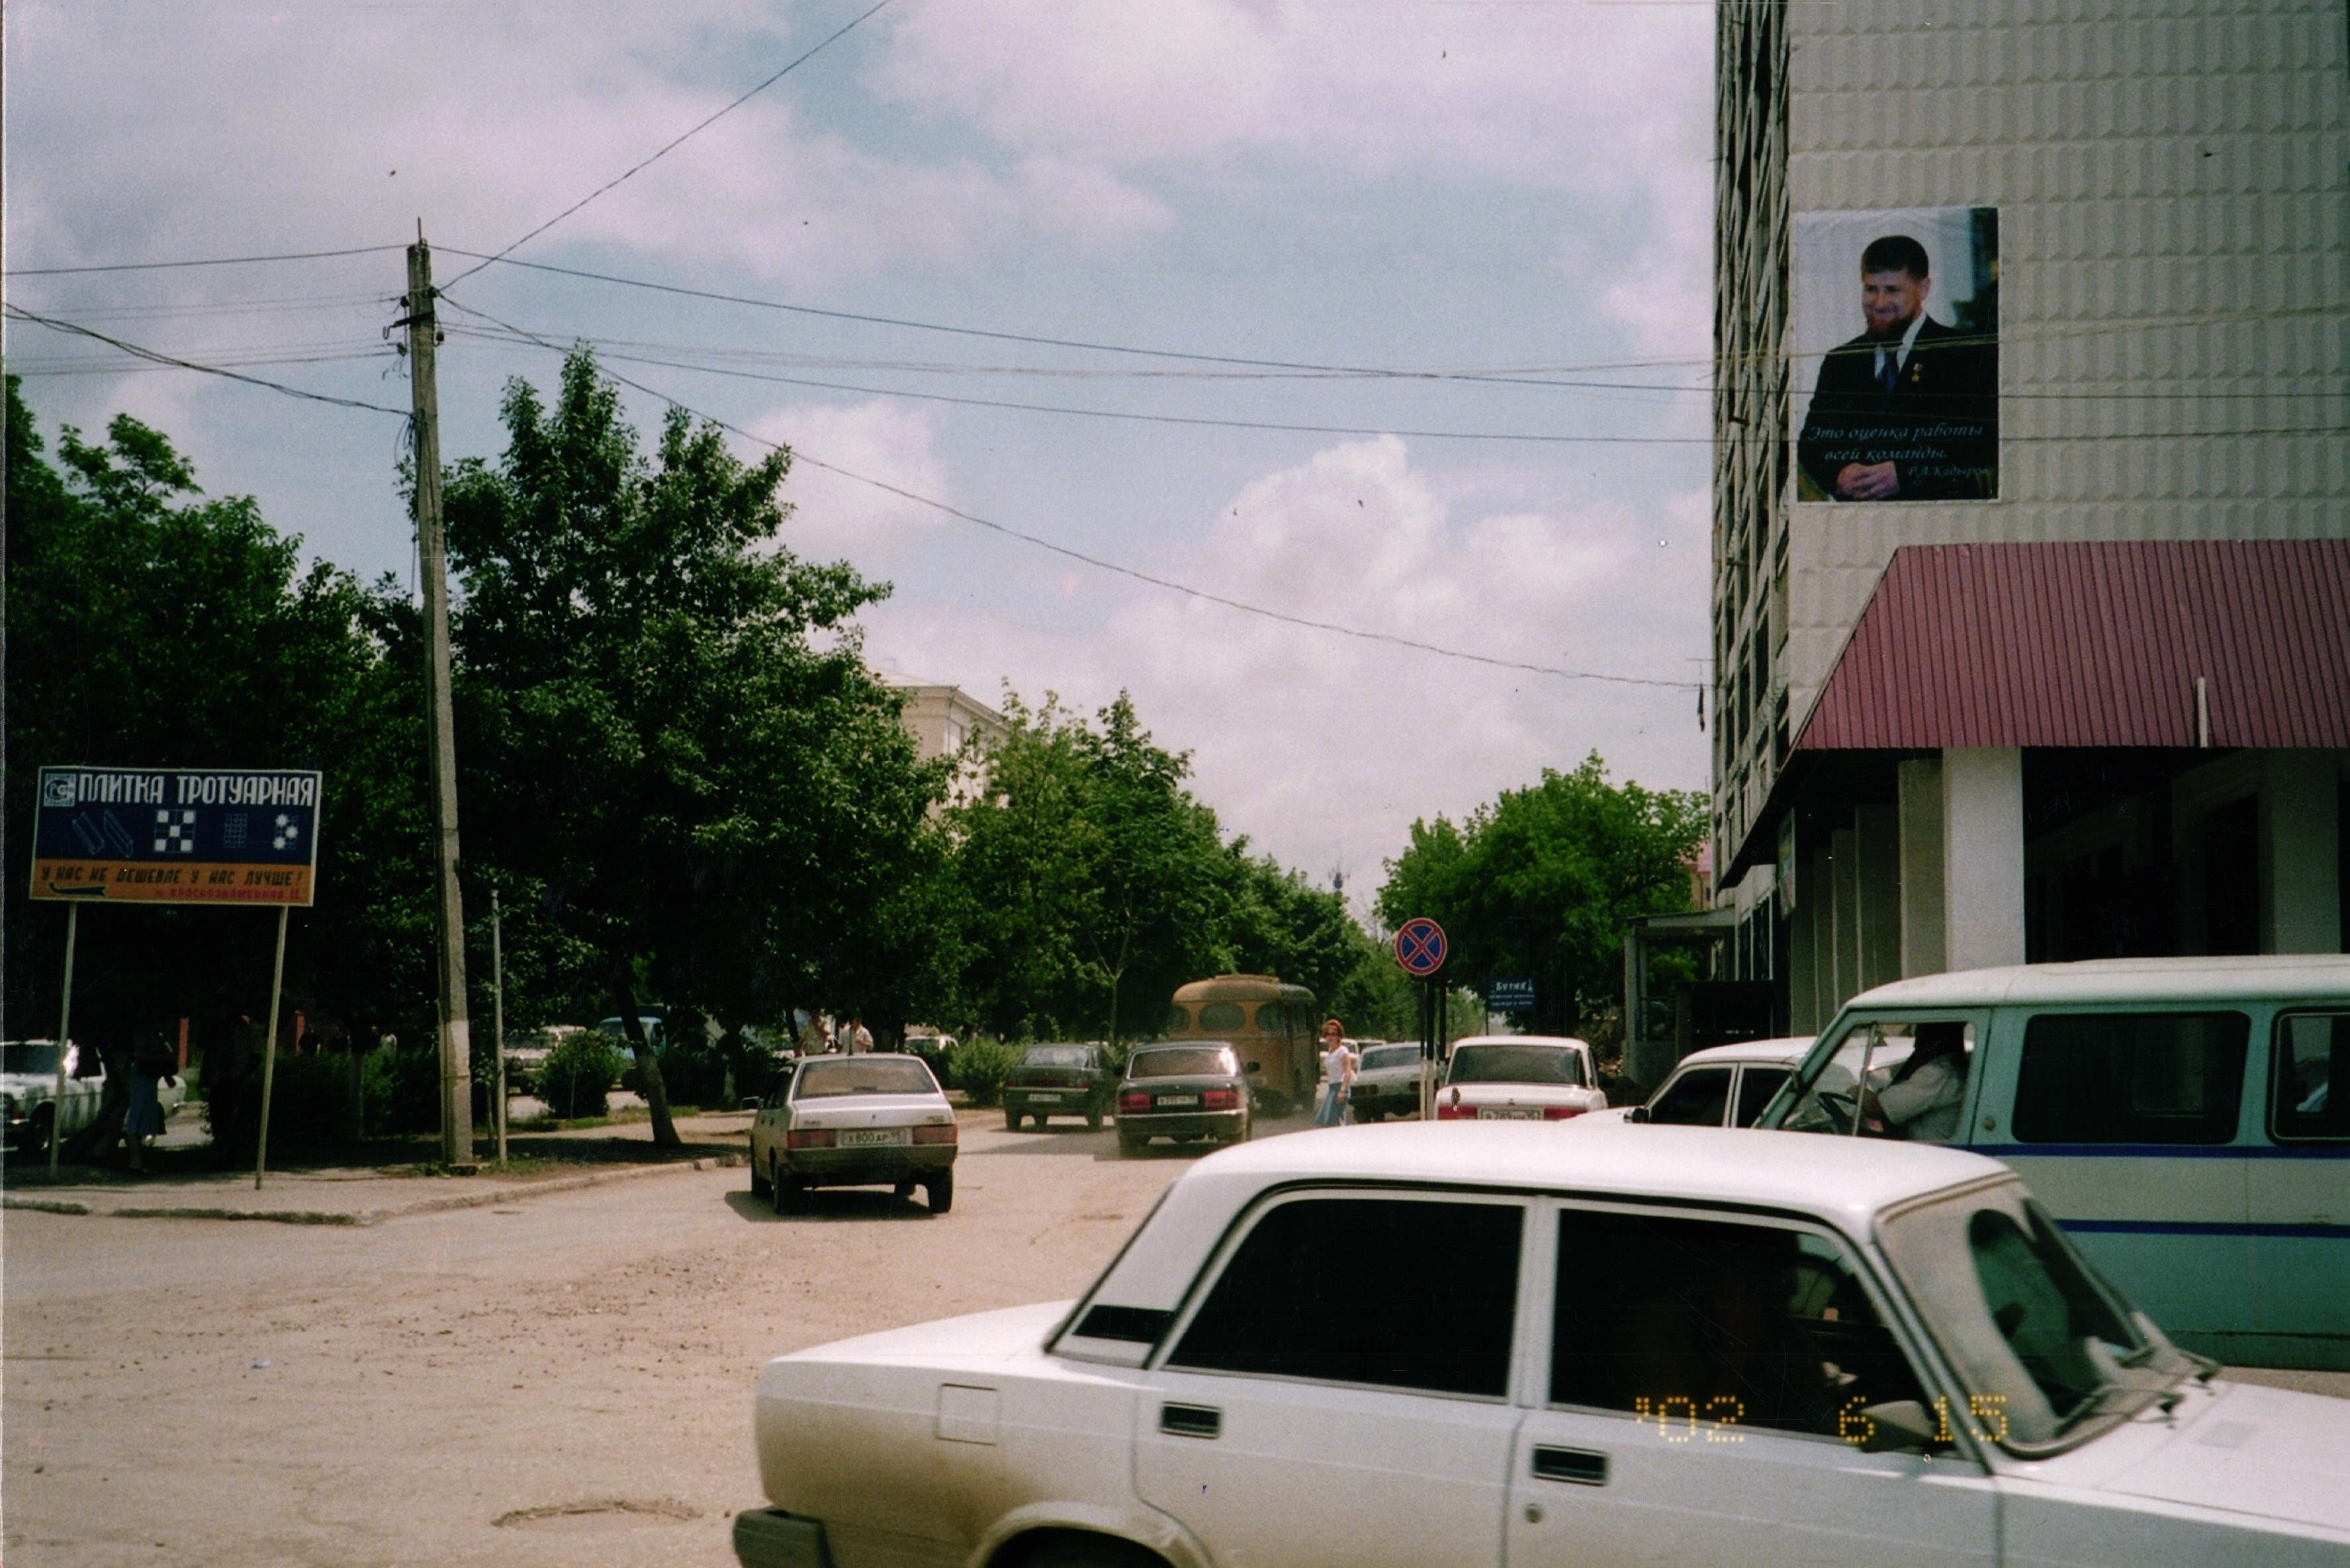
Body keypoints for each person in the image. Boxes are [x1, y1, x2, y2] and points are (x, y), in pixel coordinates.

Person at [1795, 234, 1997, 502]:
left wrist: (1906, 475)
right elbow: (1812, 445)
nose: (1879, 303)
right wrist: (1838, 474)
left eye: (1892, 290)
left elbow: (1983, 445)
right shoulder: (1840, 362)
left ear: (1923, 289)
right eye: (1871, 289)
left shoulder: (1964, 354)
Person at [1863, 1022, 1969, 1142]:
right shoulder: (1954, 1067)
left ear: (1935, 1039)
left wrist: (1855, 1091)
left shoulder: (1939, 1072)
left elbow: (1878, 1108)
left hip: (1929, 1149)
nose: (1915, 1045)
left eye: (1920, 1038)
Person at [123, 1029, 179, 1173]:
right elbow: (141, 1056)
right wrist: (161, 1059)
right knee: (135, 1121)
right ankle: (135, 1161)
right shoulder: (143, 1034)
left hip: (150, 1080)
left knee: (145, 1121)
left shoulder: (157, 1035)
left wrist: (166, 1072)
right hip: (142, 1079)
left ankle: (139, 1159)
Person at [1313, 1019, 1355, 1128]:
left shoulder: (1343, 1051)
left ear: (1339, 1036)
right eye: (1328, 1034)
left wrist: (1342, 1090)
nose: (1330, 1037)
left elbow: (1347, 1071)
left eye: (1333, 1034)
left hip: (1340, 1087)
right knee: (1327, 1120)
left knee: (1332, 1120)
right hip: (1332, 1089)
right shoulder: (1330, 1052)